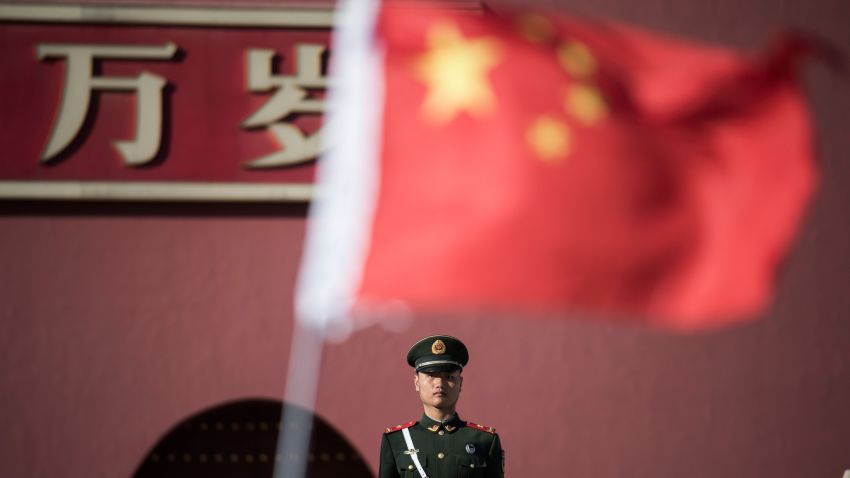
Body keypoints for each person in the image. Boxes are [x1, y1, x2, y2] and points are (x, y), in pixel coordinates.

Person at [378, 335, 504, 477]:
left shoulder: (485, 440)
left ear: (460, 383)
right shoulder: (397, 440)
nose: (439, 384)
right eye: (431, 375)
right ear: (416, 382)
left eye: (449, 376)